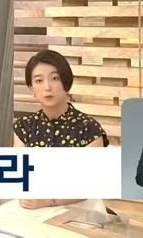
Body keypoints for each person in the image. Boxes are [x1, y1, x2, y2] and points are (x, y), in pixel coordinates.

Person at [13, 49, 109, 210]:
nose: (47, 87)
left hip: (80, 211)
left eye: (55, 78)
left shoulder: (89, 129)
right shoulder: (24, 127)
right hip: (32, 211)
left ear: (66, 82)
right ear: (31, 88)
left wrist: (49, 201)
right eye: (39, 81)